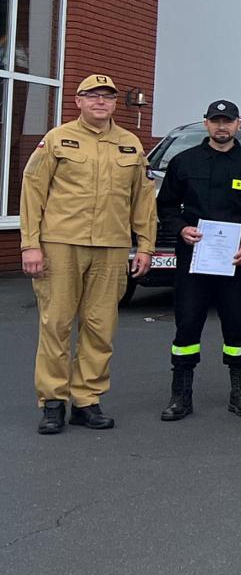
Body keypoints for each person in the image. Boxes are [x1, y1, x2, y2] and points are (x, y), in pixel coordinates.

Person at [23, 74, 157, 434]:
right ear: (78, 101)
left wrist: (144, 246)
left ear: (115, 103)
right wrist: (30, 244)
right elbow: (33, 192)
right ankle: (53, 403)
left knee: (100, 327)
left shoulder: (130, 145)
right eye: (92, 96)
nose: (101, 102)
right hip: (61, 244)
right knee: (57, 324)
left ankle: (87, 401)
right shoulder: (57, 139)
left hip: (111, 248)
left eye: (107, 97)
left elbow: (143, 202)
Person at [153, 100, 241, 421]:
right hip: (194, 260)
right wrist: (181, 229)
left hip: (236, 261)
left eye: (228, 121)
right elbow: (165, 206)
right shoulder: (184, 162)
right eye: (216, 121)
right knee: (187, 327)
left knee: (236, 329)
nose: (222, 127)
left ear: (238, 125)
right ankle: (180, 395)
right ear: (206, 123)